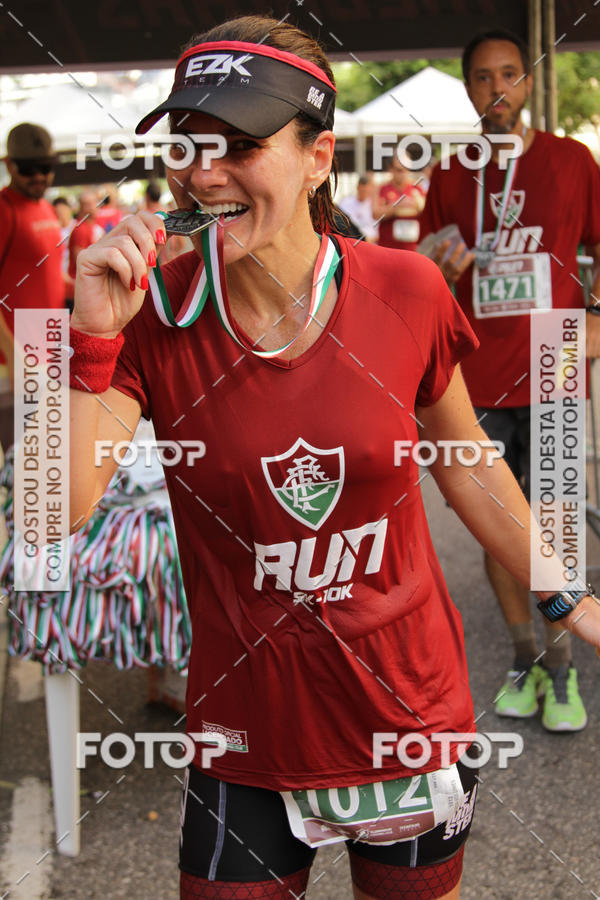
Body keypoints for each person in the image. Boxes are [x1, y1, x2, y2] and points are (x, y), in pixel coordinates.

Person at [66, 16, 600, 900]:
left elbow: (467, 462)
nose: (204, 172)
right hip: (247, 733)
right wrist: (87, 341)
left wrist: (569, 597)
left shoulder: (405, 288)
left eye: (241, 145)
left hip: (408, 719)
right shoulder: (151, 311)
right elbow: (54, 509)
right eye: (187, 144)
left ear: (319, 158)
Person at [420, 28, 600, 733]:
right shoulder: (450, 172)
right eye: (483, 77)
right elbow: (428, 266)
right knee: (499, 523)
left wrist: (596, 318)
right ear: (469, 89)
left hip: (555, 360)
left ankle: (562, 669)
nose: (498, 88)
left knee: (555, 525)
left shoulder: (571, 160)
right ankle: (526, 658)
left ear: (526, 82)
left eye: (510, 74)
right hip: (477, 371)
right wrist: (441, 265)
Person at [0, 122, 65, 449]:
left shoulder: (46, 208)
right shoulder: (4, 210)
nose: (39, 176)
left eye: (45, 167)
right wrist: (13, 354)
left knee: (49, 457)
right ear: (9, 165)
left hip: (49, 350)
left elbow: (52, 277)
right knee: (24, 461)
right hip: (14, 362)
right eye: (28, 169)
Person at [373, 154, 425, 252]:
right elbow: (375, 214)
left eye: (407, 169)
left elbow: (428, 213)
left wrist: (418, 206)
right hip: (388, 248)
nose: (404, 173)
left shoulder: (417, 188)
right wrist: (397, 206)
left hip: (412, 249)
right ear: (391, 169)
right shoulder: (381, 188)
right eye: (399, 170)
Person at [68, 190, 105, 282]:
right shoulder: (80, 229)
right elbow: (80, 260)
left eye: (95, 202)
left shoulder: (93, 226)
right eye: (88, 204)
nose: (93, 206)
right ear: (81, 207)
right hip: (83, 282)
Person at [338, 173, 379, 242]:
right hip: (351, 240)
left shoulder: (375, 205)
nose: (365, 191)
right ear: (358, 187)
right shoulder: (345, 202)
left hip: (370, 242)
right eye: (363, 189)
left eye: (367, 189)